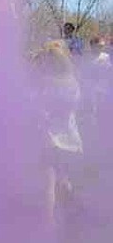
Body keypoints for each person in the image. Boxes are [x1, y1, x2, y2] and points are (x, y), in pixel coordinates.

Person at [34, 39, 83, 226]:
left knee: (49, 183)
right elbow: (74, 105)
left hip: (50, 138)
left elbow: (40, 108)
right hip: (70, 138)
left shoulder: (45, 84)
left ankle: (49, 223)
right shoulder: (73, 83)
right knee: (63, 177)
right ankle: (74, 206)